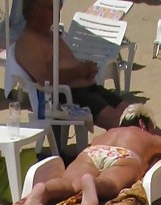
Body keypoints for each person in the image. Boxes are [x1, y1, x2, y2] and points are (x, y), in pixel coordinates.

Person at [3, 105, 161, 205]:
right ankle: (94, 183)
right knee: (112, 182)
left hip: (93, 152)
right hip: (123, 156)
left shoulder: (105, 134)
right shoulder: (144, 135)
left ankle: (46, 189)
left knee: (70, 183)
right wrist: (154, 139)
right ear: (142, 123)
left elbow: (91, 147)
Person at [15, 0, 128, 129]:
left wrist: (86, 70)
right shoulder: (28, 42)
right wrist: (80, 72)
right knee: (124, 123)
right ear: (36, 10)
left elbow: (67, 63)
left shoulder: (51, 36)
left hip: (90, 89)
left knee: (137, 115)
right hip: (69, 96)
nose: (57, 13)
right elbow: (45, 78)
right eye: (52, 8)